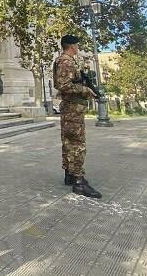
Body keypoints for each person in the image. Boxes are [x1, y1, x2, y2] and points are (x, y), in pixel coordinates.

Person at [53, 35, 102, 198]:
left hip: (71, 109)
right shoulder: (66, 61)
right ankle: (79, 182)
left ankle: (70, 175)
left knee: (69, 142)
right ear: (72, 46)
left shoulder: (65, 61)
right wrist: (86, 90)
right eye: (77, 44)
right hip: (72, 109)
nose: (78, 47)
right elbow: (64, 85)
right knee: (76, 143)